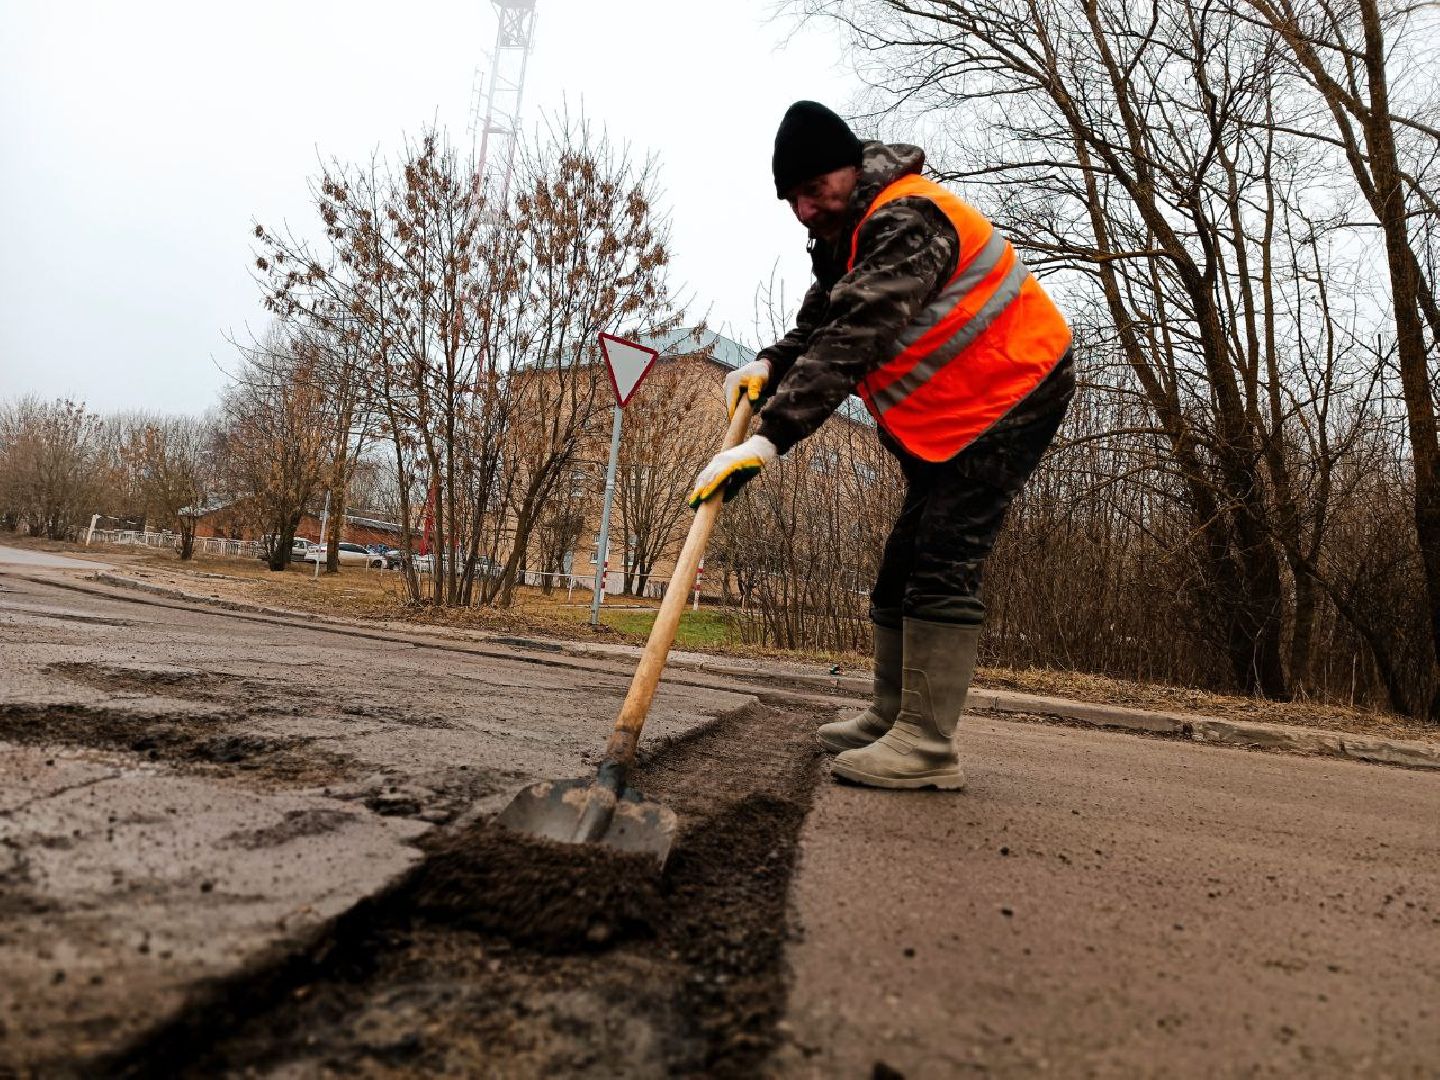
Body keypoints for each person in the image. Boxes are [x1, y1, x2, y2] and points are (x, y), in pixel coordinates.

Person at [689, 101, 1074, 790]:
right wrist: (769, 366)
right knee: (902, 561)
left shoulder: (906, 221)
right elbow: (822, 323)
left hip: (1016, 392)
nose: (804, 211)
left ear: (848, 167)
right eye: (791, 201)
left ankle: (927, 746)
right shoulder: (849, 232)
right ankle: (892, 717)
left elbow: (854, 336)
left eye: (811, 192)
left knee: (942, 557)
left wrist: (771, 439)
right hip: (957, 416)